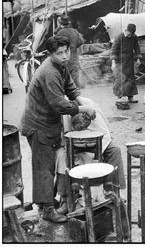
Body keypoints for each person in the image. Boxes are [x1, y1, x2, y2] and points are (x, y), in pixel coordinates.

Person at [19, 36, 96, 223]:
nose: (64, 56)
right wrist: (83, 109)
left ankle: (45, 202)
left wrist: (81, 100)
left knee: (49, 164)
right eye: (59, 53)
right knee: (44, 167)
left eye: (66, 51)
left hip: (48, 124)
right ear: (51, 54)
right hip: (37, 125)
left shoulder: (61, 66)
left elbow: (70, 87)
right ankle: (47, 210)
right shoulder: (49, 72)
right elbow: (58, 104)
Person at [55, 97, 126, 214]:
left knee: (115, 150)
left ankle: (113, 191)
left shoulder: (91, 107)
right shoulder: (64, 110)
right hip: (71, 144)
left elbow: (104, 134)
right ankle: (65, 199)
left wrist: (95, 149)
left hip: (95, 141)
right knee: (61, 156)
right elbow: (64, 136)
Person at [111, 23, 142, 107]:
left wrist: (138, 58)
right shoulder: (119, 37)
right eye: (129, 33)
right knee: (120, 78)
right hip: (120, 61)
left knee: (130, 78)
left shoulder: (134, 37)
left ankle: (130, 97)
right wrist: (113, 62)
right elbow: (114, 50)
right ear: (126, 30)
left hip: (129, 60)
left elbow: (136, 47)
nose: (130, 35)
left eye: (132, 34)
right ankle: (119, 96)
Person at [55, 15, 84, 88]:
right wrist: (74, 47)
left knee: (64, 76)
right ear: (68, 23)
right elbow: (81, 41)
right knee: (74, 77)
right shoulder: (74, 31)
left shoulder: (60, 33)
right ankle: (76, 94)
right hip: (74, 56)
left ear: (61, 23)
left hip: (63, 57)